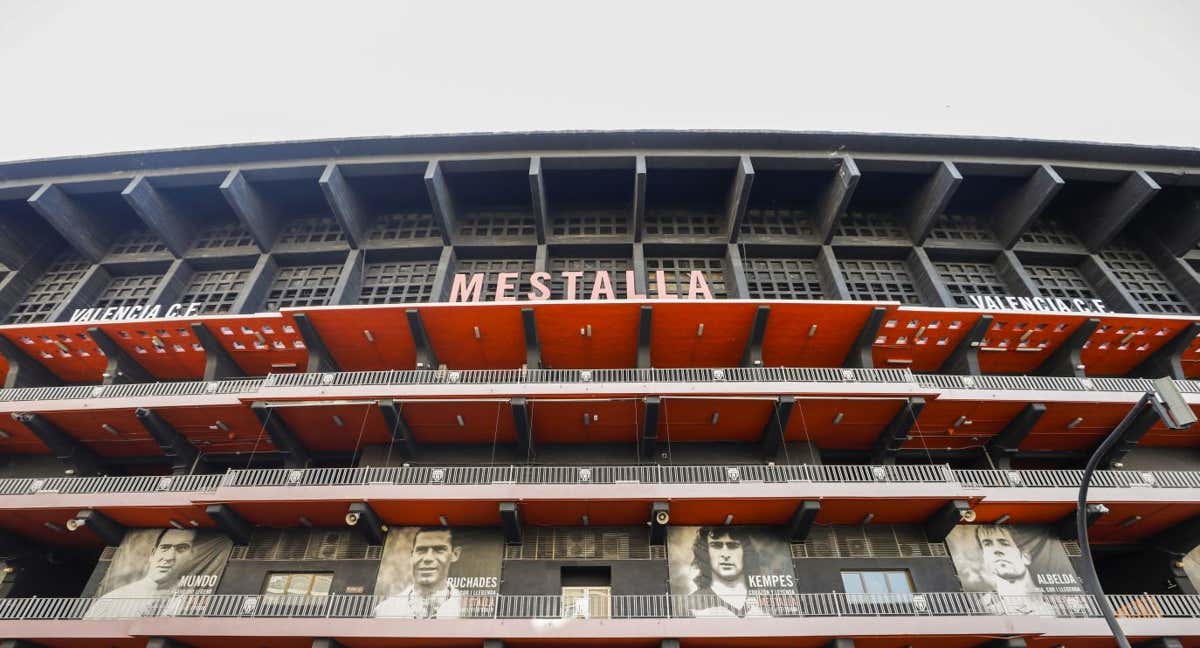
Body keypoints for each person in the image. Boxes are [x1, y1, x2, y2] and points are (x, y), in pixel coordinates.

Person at [85, 529, 197, 618]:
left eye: (182, 549)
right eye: (164, 548)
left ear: (192, 556)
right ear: (153, 553)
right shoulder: (111, 600)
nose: (169, 557)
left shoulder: (190, 600)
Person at [375, 528, 464, 619]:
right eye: (421, 550)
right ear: (412, 556)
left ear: (455, 554)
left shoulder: (465, 609)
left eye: (439, 550)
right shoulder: (385, 611)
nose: (428, 558)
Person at [685, 527, 769, 617]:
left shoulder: (764, 599)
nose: (725, 555)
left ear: (745, 551)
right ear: (705, 552)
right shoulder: (691, 604)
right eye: (716, 545)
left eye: (733, 546)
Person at [974, 526, 1056, 616]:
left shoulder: (1055, 602)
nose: (996, 550)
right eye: (987, 544)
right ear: (984, 557)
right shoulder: (982, 608)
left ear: (1026, 556)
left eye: (1004, 543)